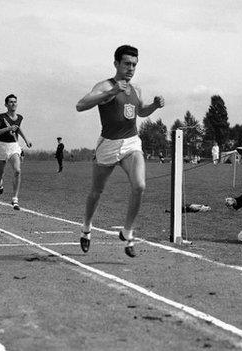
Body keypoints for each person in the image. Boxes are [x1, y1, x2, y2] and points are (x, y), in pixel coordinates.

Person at [75, 44, 165, 257]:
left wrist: (154, 105)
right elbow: (80, 105)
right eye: (126, 63)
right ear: (116, 63)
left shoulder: (137, 89)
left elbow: (140, 111)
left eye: (134, 64)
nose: (131, 68)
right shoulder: (105, 85)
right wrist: (113, 91)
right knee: (97, 191)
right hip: (108, 144)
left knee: (140, 185)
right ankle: (86, 228)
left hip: (131, 143)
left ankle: (127, 232)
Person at [0, 93, 32, 210]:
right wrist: (8, 128)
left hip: (14, 146)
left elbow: (18, 129)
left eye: (15, 102)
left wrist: (26, 140)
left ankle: (15, 199)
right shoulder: (0, 117)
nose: (13, 104)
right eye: (11, 102)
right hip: (2, 147)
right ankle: (0, 183)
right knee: (0, 174)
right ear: (6, 104)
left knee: (17, 170)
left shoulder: (19, 117)